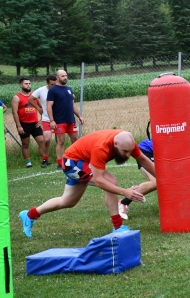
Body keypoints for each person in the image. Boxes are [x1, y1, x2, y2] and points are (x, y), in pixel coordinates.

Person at [18, 130, 155, 238]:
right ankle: (118, 227)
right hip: (71, 163)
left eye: (130, 152)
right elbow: (100, 180)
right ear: (115, 144)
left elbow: (143, 159)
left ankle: (29, 215)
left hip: (82, 162)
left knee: (68, 201)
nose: (127, 155)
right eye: (125, 152)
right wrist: (125, 192)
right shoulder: (101, 147)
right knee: (110, 182)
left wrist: (163, 178)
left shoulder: (128, 143)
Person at [47, 70, 85, 168]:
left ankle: (76, 159)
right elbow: (49, 106)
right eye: (62, 76)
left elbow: (72, 105)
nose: (65, 77)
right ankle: (60, 162)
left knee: (76, 140)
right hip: (59, 120)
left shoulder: (69, 89)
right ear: (57, 77)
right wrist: (52, 120)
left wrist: (79, 116)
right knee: (61, 141)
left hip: (70, 120)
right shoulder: (53, 90)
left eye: (66, 76)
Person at [11, 78, 46, 168]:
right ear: (21, 85)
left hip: (35, 124)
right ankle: (28, 162)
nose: (28, 85)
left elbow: (43, 109)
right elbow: (14, 112)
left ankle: (44, 160)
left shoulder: (34, 96)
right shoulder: (17, 97)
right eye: (26, 83)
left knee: (42, 141)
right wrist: (19, 126)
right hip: (24, 124)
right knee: (25, 144)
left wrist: (41, 121)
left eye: (29, 83)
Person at [27, 75, 57, 168]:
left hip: (59, 119)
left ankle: (61, 159)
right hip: (46, 119)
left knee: (60, 140)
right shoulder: (41, 90)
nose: (54, 86)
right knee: (47, 139)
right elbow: (30, 99)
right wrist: (38, 108)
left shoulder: (58, 89)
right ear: (47, 83)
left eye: (55, 84)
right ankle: (45, 159)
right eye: (52, 84)